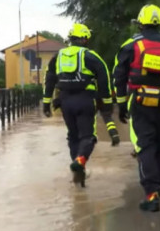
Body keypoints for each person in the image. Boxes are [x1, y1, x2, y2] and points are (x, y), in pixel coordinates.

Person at [113, 4, 160, 212]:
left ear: (140, 23)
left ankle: (151, 193)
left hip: (140, 103)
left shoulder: (131, 45)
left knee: (145, 146)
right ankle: (157, 186)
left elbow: (118, 77)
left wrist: (120, 104)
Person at [43, 23, 114, 187]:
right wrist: (107, 104)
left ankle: (77, 170)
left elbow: (50, 79)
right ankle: (80, 160)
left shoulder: (58, 56)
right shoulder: (90, 56)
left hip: (65, 103)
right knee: (88, 136)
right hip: (85, 101)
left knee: (73, 136)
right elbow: (104, 78)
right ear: (84, 38)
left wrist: (46, 102)